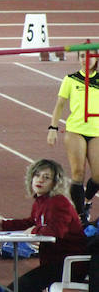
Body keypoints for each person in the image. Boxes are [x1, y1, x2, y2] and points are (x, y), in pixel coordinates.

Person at [0, 159, 85, 292]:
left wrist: (34, 230)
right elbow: (31, 221)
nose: (40, 180)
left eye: (46, 177)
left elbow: (57, 231)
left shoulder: (59, 202)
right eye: (37, 175)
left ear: (55, 183)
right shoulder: (42, 201)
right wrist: (2, 225)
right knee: (15, 291)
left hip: (68, 264)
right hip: (54, 263)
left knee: (16, 290)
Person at [48, 49, 99, 223]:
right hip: (75, 130)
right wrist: (53, 128)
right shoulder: (70, 79)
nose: (87, 59)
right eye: (83, 56)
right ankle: (80, 216)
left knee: (98, 175)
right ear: (78, 59)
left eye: (91, 56)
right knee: (78, 173)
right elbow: (59, 105)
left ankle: (86, 201)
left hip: (97, 132)